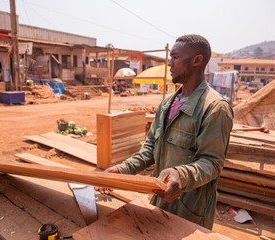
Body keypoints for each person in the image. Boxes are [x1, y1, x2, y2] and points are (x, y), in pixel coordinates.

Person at [99, 34, 233, 230]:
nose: (169, 63)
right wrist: (122, 169)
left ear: (197, 60)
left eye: (176, 57)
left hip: (190, 210)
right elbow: (150, 148)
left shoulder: (215, 108)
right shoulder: (167, 103)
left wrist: (180, 174)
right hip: (160, 200)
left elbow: (212, 163)